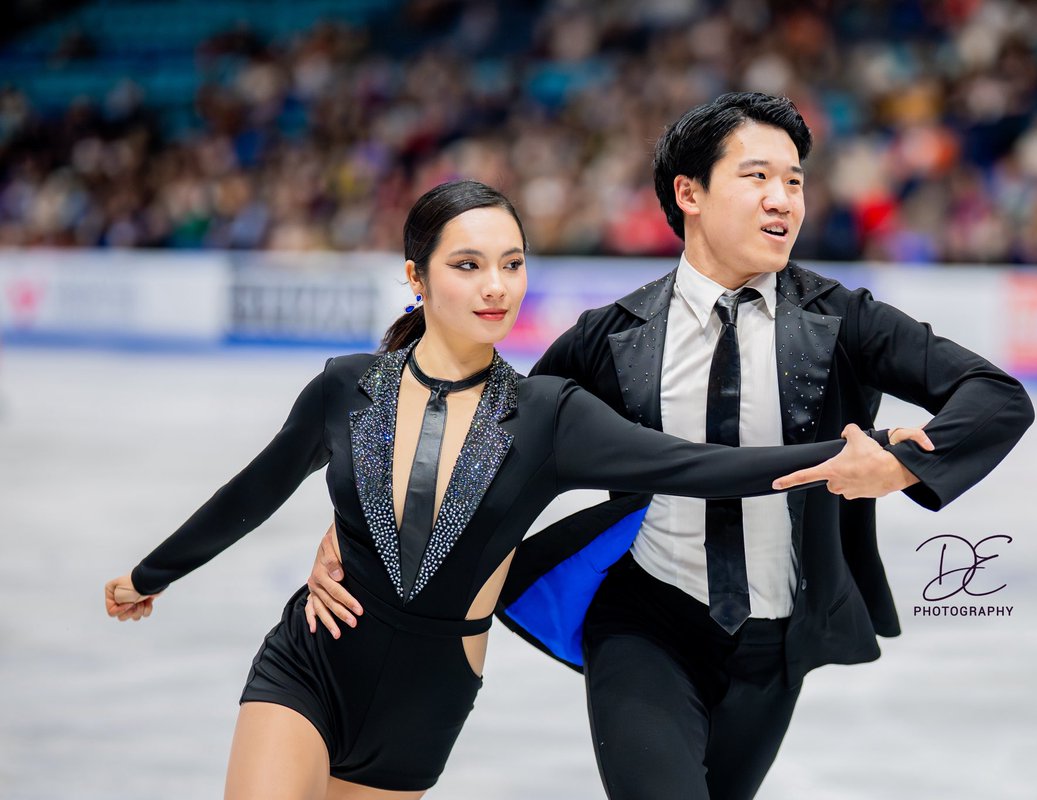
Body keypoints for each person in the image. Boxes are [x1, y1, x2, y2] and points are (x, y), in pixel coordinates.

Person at [306, 94, 1035, 799]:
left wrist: (905, 459)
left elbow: (995, 394)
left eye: (794, 181)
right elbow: (492, 443)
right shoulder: (614, 335)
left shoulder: (843, 320)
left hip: (775, 646)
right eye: (757, 177)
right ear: (689, 192)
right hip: (644, 621)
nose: (783, 199)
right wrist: (361, 527)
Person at [104, 178, 931, 799]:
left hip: (425, 700)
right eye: (468, 265)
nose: (497, 286)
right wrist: (150, 576)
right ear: (417, 276)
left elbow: (695, 464)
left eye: (511, 263)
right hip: (312, 661)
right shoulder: (344, 388)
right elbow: (253, 492)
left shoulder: (548, 416)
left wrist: (847, 456)